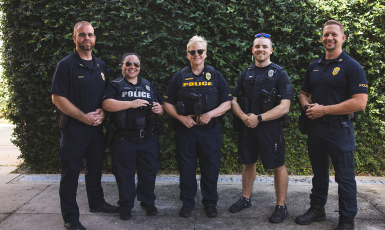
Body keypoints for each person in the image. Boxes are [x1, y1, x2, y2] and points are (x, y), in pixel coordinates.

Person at [296, 20, 368, 230]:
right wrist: (308, 107)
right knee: (319, 173)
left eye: (334, 35)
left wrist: (324, 109)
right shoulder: (315, 66)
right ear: (321, 38)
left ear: (343, 38)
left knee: (344, 177)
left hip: (340, 130)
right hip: (316, 128)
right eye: (326, 34)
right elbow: (303, 93)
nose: (330, 38)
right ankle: (317, 209)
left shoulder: (352, 66)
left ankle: (347, 220)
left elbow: (360, 102)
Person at [51, 21, 118, 230]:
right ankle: (71, 217)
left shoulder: (101, 65)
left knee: (95, 168)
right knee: (70, 173)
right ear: (74, 38)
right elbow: (57, 98)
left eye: (90, 35)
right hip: (74, 130)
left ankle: (96, 203)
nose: (86, 38)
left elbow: (108, 96)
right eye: (82, 35)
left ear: (95, 38)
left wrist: (105, 112)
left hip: (97, 129)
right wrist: (84, 118)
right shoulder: (66, 65)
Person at [163, 35, 232, 218]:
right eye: (192, 52)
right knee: (186, 168)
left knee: (210, 167)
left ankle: (210, 203)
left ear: (205, 53)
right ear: (187, 54)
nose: (196, 54)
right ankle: (187, 202)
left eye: (200, 51)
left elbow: (227, 102)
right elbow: (167, 103)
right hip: (186, 130)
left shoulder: (216, 76)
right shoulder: (179, 77)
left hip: (210, 131)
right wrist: (181, 118)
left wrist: (210, 114)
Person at [230, 33, 292, 223]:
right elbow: (232, 100)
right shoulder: (246, 73)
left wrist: (258, 118)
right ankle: (245, 198)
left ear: (271, 50)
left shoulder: (280, 74)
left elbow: (285, 106)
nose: (261, 50)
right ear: (252, 50)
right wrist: (243, 117)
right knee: (248, 162)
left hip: (270, 128)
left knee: (278, 165)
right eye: (257, 46)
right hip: (248, 126)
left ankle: (281, 206)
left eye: (265, 46)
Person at [102, 53, 164, 220]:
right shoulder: (115, 85)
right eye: (128, 63)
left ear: (139, 67)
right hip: (123, 139)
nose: (132, 67)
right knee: (124, 174)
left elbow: (161, 107)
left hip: (148, 138)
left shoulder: (148, 86)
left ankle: (147, 202)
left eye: (136, 64)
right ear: (122, 65)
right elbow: (106, 104)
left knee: (149, 172)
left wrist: (160, 110)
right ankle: (126, 205)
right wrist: (131, 103)